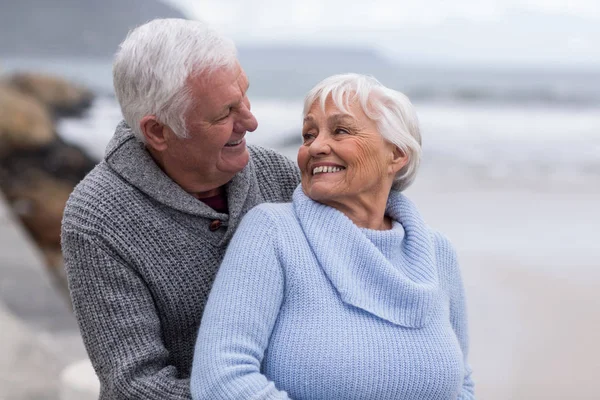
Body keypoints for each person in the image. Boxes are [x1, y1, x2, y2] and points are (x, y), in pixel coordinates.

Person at [191, 73, 475, 399]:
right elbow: (221, 378)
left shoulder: (437, 252)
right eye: (308, 134)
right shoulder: (272, 233)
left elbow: (462, 386)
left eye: (340, 130)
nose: (316, 146)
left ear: (396, 154)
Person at [61, 18, 300, 399]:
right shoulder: (98, 220)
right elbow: (135, 386)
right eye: (224, 114)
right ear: (158, 131)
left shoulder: (280, 176)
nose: (251, 122)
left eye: (245, 96)